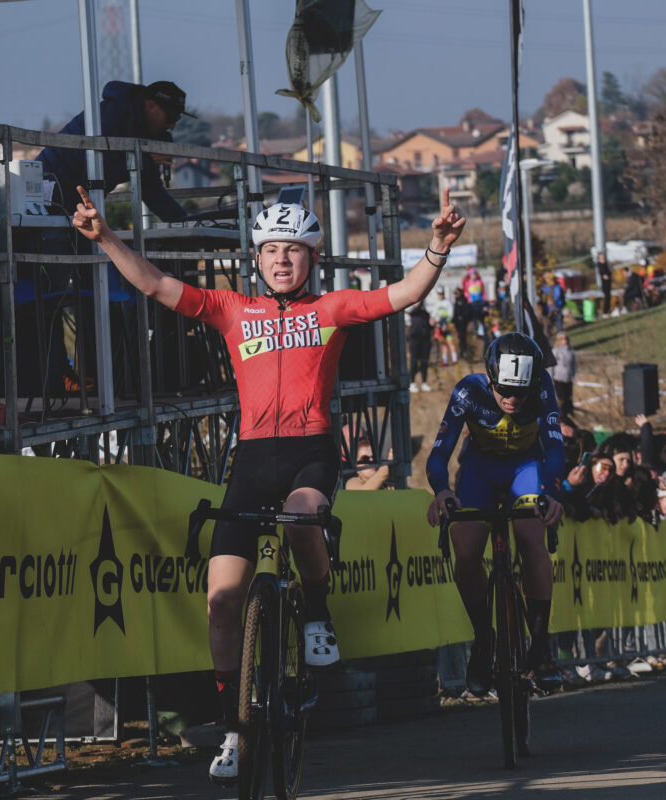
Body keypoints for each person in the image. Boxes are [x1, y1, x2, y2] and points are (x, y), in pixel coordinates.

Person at [72, 185, 465, 784]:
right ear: (256, 259)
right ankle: (233, 729)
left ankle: (317, 614)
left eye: (295, 250)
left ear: (312, 258)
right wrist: (105, 238)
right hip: (251, 459)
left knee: (306, 515)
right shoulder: (233, 310)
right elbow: (153, 284)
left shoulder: (329, 310)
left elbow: (405, 294)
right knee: (222, 600)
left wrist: (436, 246)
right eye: (272, 251)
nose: (282, 260)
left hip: (311, 452)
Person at [424, 333, 566, 696]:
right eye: (504, 390)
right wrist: (441, 490)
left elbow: (554, 447)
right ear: (489, 376)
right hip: (480, 471)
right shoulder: (468, 391)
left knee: (532, 540)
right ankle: (483, 638)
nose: (513, 399)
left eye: (521, 393)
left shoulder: (544, 385)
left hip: (527, 468)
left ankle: (540, 643)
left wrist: (550, 492)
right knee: (467, 551)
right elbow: (440, 451)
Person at [39, 80, 191, 222]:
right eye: (170, 117)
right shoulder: (113, 115)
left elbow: (151, 190)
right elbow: (97, 170)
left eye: (176, 119)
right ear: (150, 105)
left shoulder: (138, 125)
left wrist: (186, 222)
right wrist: (145, 161)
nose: (172, 126)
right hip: (50, 196)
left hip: (72, 204)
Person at [407, 304, 433, 393]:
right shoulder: (412, 312)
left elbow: (429, 327)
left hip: (425, 340)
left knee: (424, 362)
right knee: (414, 361)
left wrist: (432, 324)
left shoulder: (425, 313)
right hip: (415, 339)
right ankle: (412, 382)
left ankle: (424, 382)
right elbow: (413, 311)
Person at [550, 332, 577, 417]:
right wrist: (551, 378)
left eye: (566, 338)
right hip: (558, 377)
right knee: (561, 398)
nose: (565, 340)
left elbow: (574, 364)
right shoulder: (555, 351)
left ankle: (569, 412)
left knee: (568, 396)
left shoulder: (571, 351)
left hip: (568, 377)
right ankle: (562, 414)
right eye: (563, 339)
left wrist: (575, 375)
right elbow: (551, 366)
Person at [430, 287, 456, 366]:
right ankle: (445, 360)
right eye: (439, 294)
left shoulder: (447, 302)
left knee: (449, 341)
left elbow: (450, 314)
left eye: (441, 294)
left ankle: (455, 359)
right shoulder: (437, 304)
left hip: (446, 324)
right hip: (439, 325)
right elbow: (434, 314)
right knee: (442, 343)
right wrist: (432, 319)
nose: (440, 296)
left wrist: (446, 323)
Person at [452, 287, 474, 360]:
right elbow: (455, 313)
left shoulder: (463, 301)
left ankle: (465, 352)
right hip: (457, 324)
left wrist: (462, 317)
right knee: (459, 339)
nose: (455, 294)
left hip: (463, 324)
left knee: (463, 338)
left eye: (456, 293)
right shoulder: (456, 302)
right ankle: (461, 353)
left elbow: (467, 311)